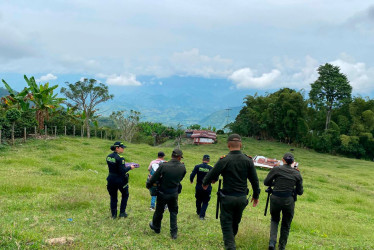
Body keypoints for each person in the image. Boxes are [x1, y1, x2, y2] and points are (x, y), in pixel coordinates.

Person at [202, 134, 261, 250]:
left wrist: (205, 183)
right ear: (241, 145)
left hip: (227, 197)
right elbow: (255, 180)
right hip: (241, 198)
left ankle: (230, 246)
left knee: (226, 223)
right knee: (235, 221)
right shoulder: (248, 160)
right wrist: (256, 196)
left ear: (228, 145)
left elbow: (211, 174)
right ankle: (231, 241)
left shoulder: (225, 160)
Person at [264, 152, 303, 250]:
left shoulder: (276, 169)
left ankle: (272, 242)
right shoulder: (297, 173)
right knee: (286, 224)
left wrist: (275, 183)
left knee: (274, 220)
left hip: (275, 198)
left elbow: (266, 182)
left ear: (283, 160)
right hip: (288, 200)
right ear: (293, 162)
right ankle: (282, 247)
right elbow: (300, 192)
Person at [147, 149, 186, 239]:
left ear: (172, 156)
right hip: (174, 193)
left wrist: (149, 185)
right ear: (179, 157)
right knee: (173, 212)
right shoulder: (182, 167)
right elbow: (180, 178)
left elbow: (154, 178)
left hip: (162, 192)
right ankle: (174, 233)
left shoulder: (164, 165)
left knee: (159, 211)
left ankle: (156, 228)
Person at [106, 141, 136, 219]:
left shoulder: (109, 156)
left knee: (113, 197)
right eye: (122, 148)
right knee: (125, 194)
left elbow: (115, 166)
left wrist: (123, 166)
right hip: (119, 180)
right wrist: (130, 167)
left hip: (111, 179)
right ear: (117, 148)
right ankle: (122, 212)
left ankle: (114, 215)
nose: (123, 149)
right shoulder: (120, 158)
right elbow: (122, 171)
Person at [190, 154, 213, 220]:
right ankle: (202, 216)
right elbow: (215, 177)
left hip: (199, 186)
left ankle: (198, 211)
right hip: (207, 187)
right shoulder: (210, 168)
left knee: (198, 199)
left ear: (202, 159)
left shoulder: (197, 166)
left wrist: (191, 180)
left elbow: (192, 174)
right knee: (205, 201)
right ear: (209, 160)